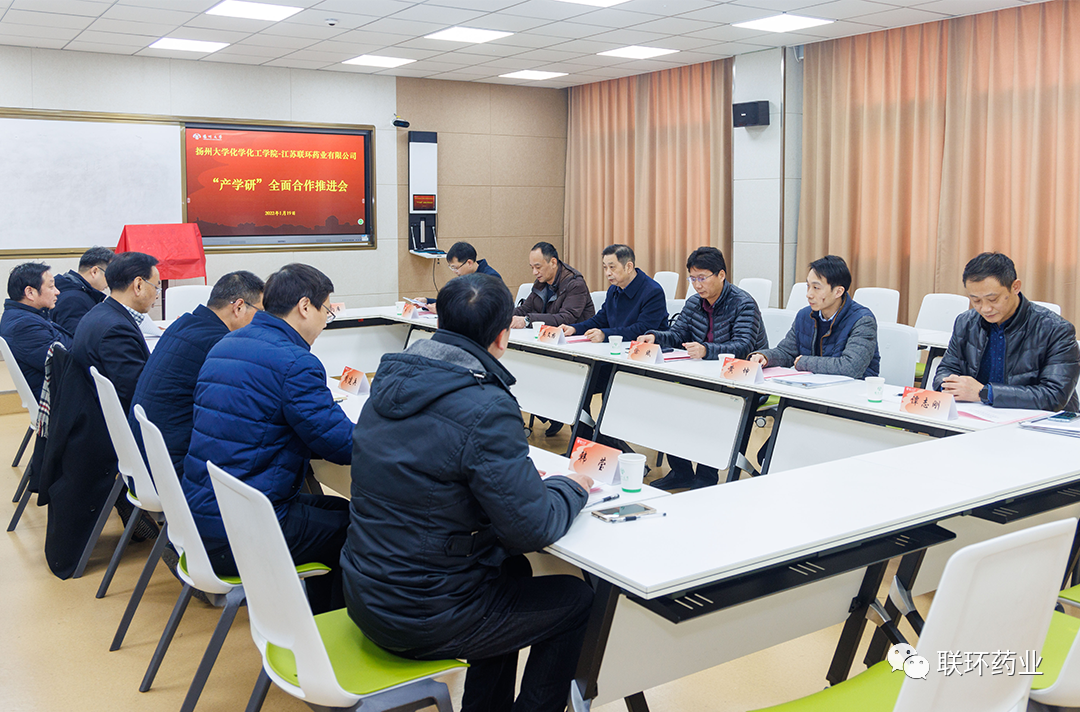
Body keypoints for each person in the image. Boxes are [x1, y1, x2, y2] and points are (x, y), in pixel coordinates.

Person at [342, 273, 594, 712]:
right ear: (503, 337)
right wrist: (571, 487)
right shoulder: (486, 405)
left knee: (512, 571)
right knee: (575, 600)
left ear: (441, 324)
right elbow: (533, 528)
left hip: (367, 594)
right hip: (423, 615)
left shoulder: (387, 384)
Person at [183, 263, 353, 613]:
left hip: (201, 518)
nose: (325, 322)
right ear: (305, 307)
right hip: (242, 534)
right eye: (326, 311)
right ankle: (329, 631)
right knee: (361, 529)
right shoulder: (294, 362)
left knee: (346, 511)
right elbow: (340, 444)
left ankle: (319, 619)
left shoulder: (226, 343)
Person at [638, 247, 767, 490]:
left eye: (702, 278)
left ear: (721, 275)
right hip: (703, 376)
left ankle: (706, 477)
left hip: (742, 380)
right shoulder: (694, 303)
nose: (697, 285)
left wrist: (706, 350)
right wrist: (655, 337)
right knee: (667, 401)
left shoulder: (743, 303)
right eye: (693, 279)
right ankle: (681, 472)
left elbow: (744, 346)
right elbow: (677, 335)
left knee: (711, 408)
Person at [129, 271, 265, 477]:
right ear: (238, 307)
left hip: (144, 460)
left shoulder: (183, 324)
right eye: (260, 312)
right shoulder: (221, 344)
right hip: (174, 470)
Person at [934, 252, 1079, 411]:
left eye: (993, 299)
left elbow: (1054, 396)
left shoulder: (1056, 330)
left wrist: (985, 393)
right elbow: (946, 369)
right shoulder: (966, 322)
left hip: (1038, 420)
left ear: (1015, 287)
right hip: (979, 414)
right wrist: (948, 385)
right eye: (976, 300)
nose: (985, 308)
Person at [750, 255, 880, 379]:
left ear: (838, 292)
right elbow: (787, 352)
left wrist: (804, 362)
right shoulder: (805, 315)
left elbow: (850, 367)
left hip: (853, 390)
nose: (809, 294)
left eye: (816, 288)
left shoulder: (862, 321)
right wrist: (765, 357)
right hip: (813, 387)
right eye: (808, 286)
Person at [71, 251, 160, 414]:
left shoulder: (101, 311)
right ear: (138, 285)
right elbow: (136, 392)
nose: (157, 295)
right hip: (109, 420)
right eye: (156, 287)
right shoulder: (116, 330)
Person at [561, 244, 668, 343]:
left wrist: (605, 335)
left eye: (612, 267)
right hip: (617, 346)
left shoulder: (653, 291)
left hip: (647, 350)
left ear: (629, 267)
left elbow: (642, 329)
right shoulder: (614, 289)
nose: (608, 273)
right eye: (605, 267)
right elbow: (600, 319)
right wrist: (575, 328)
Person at [0, 262, 72, 399]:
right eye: (51, 286)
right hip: (58, 399)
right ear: (30, 292)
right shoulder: (23, 326)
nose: (57, 292)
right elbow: (66, 363)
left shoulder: (26, 315)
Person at [510, 241, 595, 329]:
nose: (534, 272)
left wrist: (527, 320)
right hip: (547, 335)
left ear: (553, 263)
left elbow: (565, 318)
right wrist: (503, 315)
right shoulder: (542, 281)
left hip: (576, 335)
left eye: (538, 267)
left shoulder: (575, 284)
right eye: (532, 268)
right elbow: (525, 309)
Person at [418, 241, 501, 313]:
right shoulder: (465, 277)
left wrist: (443, 309)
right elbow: (453, 302)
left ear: (469, 263)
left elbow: (479, 310)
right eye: (452, 268)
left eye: (456, 268)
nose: (454, 271)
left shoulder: (491, 278)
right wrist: (427, 302)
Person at [52, 246, 114, 334]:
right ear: (94, 271)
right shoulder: (75, 300)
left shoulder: (69, 288)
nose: (109, 283)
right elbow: (76, 338)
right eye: (109, 276)